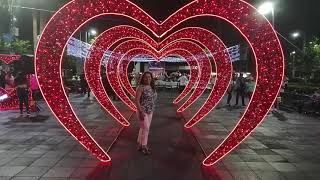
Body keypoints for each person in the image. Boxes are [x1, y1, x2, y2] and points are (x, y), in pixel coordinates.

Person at [135, 71, 157, 155]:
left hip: (150, 110)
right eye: (146, 77)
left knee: (143, 128)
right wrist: (140, 111)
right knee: (146, 128)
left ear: (151, 78)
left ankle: (140, 144)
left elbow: (153, 98)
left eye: (149, 77)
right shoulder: (140, 87)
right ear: (142, 78)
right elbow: (136, 100)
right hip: (142, 110)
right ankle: (144, 146)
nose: (147, 79)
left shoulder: (151, 87)